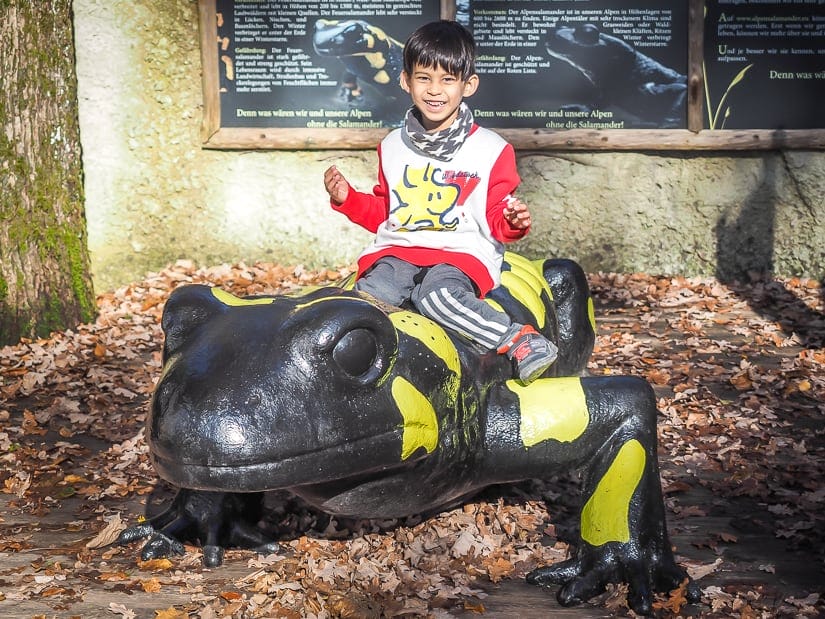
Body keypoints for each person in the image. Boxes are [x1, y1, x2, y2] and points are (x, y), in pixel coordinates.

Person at [323, 19, 557, 383]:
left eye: (447, 79)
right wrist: (348, 199)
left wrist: (513, 221)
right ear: (405, 80)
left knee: (437, 297)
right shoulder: (392, 146)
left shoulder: (492, 150)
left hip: (458, 254)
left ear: (469, 85)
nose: (435, 90)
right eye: (424, 78)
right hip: (397, 252)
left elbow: (497, 217)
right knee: (366, 297)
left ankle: (519, 339)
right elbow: (386, 215)